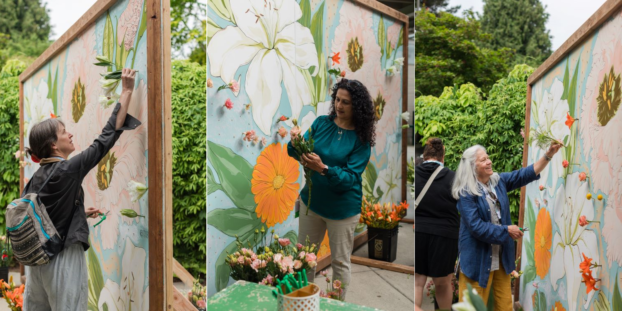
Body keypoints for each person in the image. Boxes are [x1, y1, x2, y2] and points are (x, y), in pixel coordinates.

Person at [22, 68, 139, 310]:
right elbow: (105, 140)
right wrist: (126, 91)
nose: (70, 134)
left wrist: (79, 214)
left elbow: (42, 217)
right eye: (64, 132)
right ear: (54, 145)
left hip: (36, 264)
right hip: (62, 259)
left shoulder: (35, 180)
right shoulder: (67, 170)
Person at [287, 78, 375, 300]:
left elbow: (349, 179)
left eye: (346, 102)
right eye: (337, 99)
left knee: (340, 262)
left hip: (343, 211)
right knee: (304, 257)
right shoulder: (321, 123)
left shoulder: (361, 140)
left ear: (357, 107)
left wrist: (323, 168)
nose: (339, 105)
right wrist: (296, 142)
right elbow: (296, 152)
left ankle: (335, 304)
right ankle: (303, 302)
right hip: (312, 204)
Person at [451, 142, 561, 310]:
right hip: (477, 261)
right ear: (472, 167)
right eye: (483, 160)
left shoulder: (497, 182)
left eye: (488, 158)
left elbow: (525, 174)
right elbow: (476, 226)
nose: (489, 162)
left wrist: (548, 155)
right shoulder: (466, 192)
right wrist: (506, 230)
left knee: (504, 307)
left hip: (500, 261)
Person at [414, 138, 459, 310]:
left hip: (419, 233)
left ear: (424, 156)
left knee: (418, 282)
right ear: (442, 157)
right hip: (445, 236)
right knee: (442, 283)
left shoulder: (415, 173)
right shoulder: (453, 177)